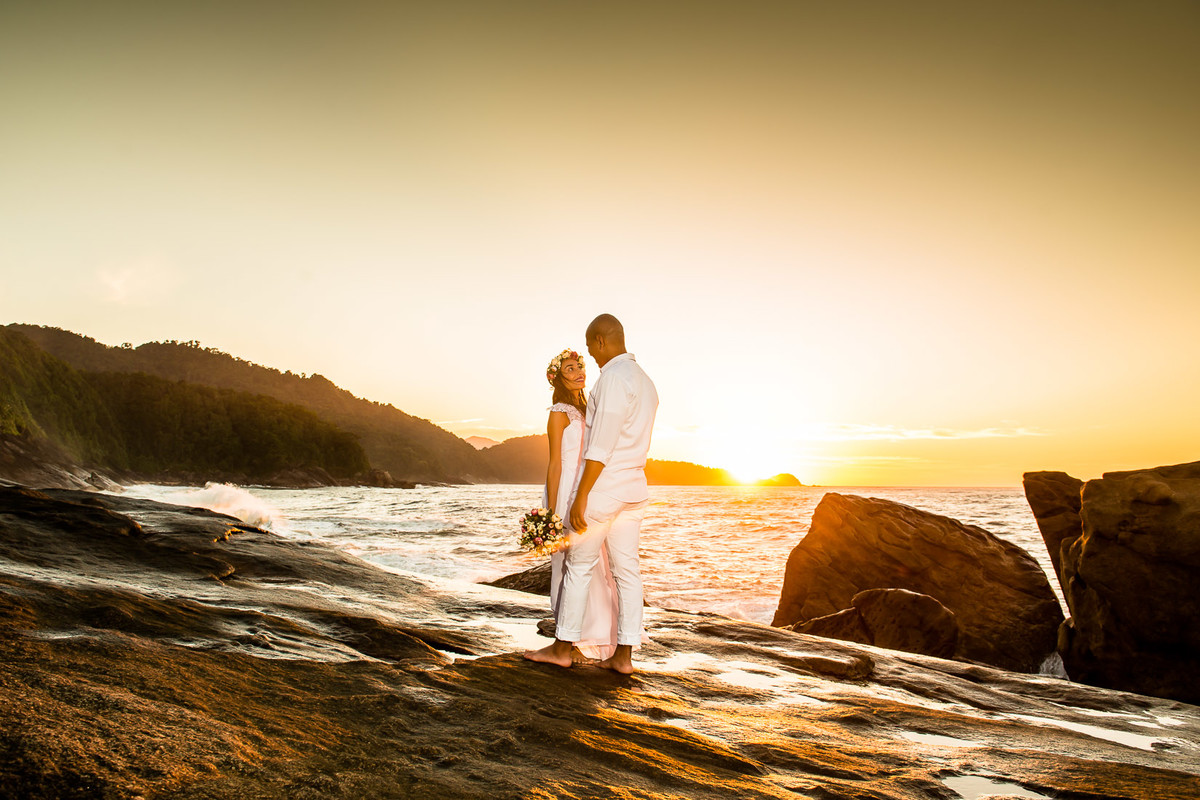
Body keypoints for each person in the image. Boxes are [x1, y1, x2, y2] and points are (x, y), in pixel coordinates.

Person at [525, 314, 658, 674]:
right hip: (634, 489)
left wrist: (581, 495)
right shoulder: (646, 382)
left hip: (605, 489)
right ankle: (624, 656)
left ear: (600, 341)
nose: (591, 359)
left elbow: (599, 448)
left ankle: (563, 648)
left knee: (580, 566)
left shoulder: (613, 379)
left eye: (589, 350)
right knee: (626, 571)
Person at [539, 347, 619, 662]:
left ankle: (592, 631)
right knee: (567, 562)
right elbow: (555, 464)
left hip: (589, 488)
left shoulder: (589, 408)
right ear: (557, 377)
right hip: (565, 490)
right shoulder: (558, 413)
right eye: (569, 369)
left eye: (580, 367)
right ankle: (567, 633)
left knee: (594, 561)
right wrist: (551, 513)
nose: (578, 373)